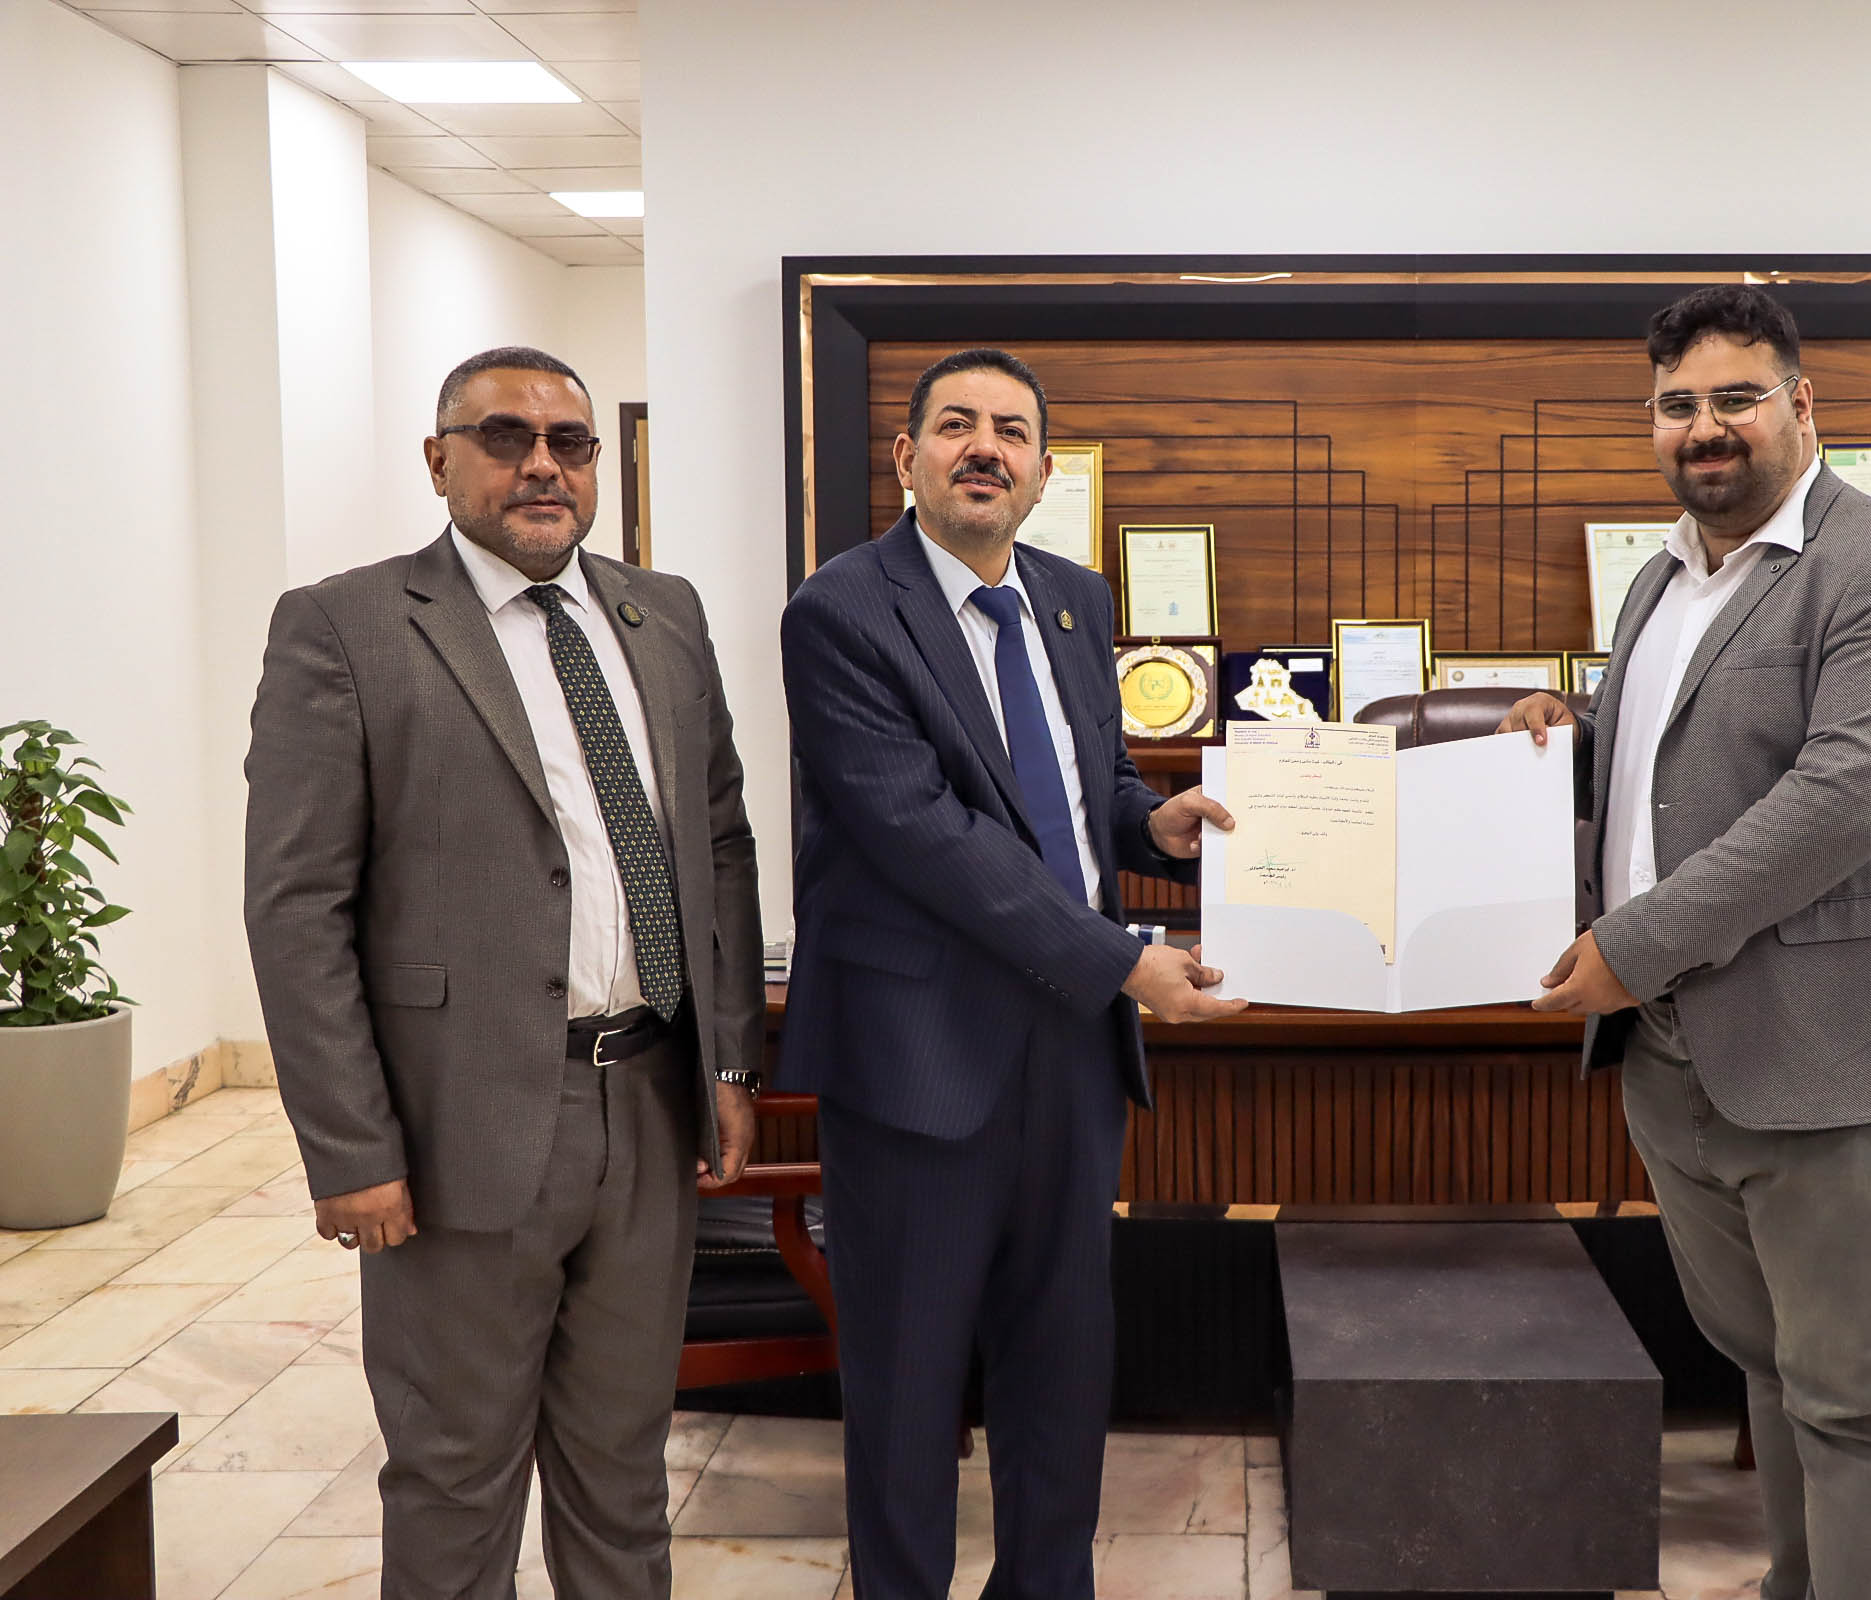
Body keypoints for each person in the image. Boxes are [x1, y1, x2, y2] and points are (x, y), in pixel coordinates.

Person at [244, 345, 764, 1600]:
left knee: (623, 1472)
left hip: (649, 1101)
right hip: (457, 1127)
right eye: (504, 438)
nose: (542, 465)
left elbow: (721, 842)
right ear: (440, 461)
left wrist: (731, 1060)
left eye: (568, 443)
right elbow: (298, 907)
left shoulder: (664, 613)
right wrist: (351, 1147)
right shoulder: (348, 626)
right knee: (456, 1477)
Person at [1500, 287, 1871, 1600]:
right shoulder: (1663, 574)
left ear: (1801, 403)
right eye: (1678, 405)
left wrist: (1633, 945)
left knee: (1857, 1402)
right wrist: (1574, 733)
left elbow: (1840, 798)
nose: (1705, 427)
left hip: (1845, 1060)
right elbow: (1680, 761)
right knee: (1773, 1372)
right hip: (1681, 1057)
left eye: (1736, 397)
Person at [779, 348, 1243, 1600]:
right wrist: (1125, 962)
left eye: (1011, 431)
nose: (984, 447)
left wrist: (1154, 827)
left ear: (1042, 473)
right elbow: (928, 833)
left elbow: (1084, 789)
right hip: (920, 1057)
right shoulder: (841, 610)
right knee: (909, 1382)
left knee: (1061, 1366)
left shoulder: (1073, 600)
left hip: (1070, 1051)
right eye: (955, 425)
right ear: (908, 457)